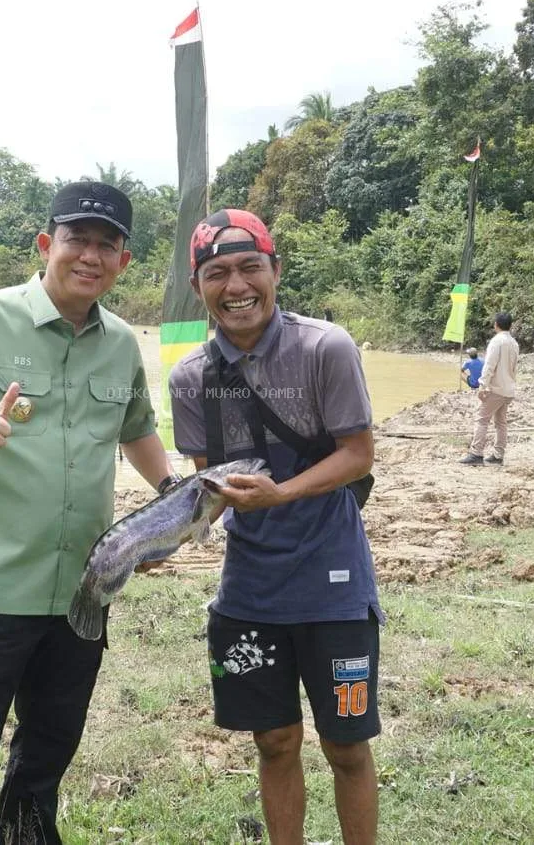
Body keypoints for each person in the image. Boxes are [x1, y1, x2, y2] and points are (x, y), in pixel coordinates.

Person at [0, 181, 175, 845]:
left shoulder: (120, 343)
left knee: (48, 749)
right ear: (46, 243)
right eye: (77, 239)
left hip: (84, 589)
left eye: (107, 245)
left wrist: (175, 493)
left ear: (123, 262)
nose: (90, 256)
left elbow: (137, 428)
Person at [168, 208, 381, 845]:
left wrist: (282, 492)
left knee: (347, 745)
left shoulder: (326, 348)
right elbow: (210, 489)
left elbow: (358, 454)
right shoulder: (189, 378)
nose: (236, 286)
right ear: (198, 286)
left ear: (275, 272)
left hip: (335, 586)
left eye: (249, 268)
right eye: (217, 274)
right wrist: (159, 540)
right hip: (251, 590)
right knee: (275, 741)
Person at [459, 312, 519, 466]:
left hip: (496, 388)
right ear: (510, 325)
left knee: (481, 419)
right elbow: (514, 367)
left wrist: (482, 385)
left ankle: (476, 453)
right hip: (508, 389)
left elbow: (489, 365)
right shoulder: (514, 343)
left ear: (496, 325)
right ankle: (498, 455)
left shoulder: (496, 342)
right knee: (501, 422)